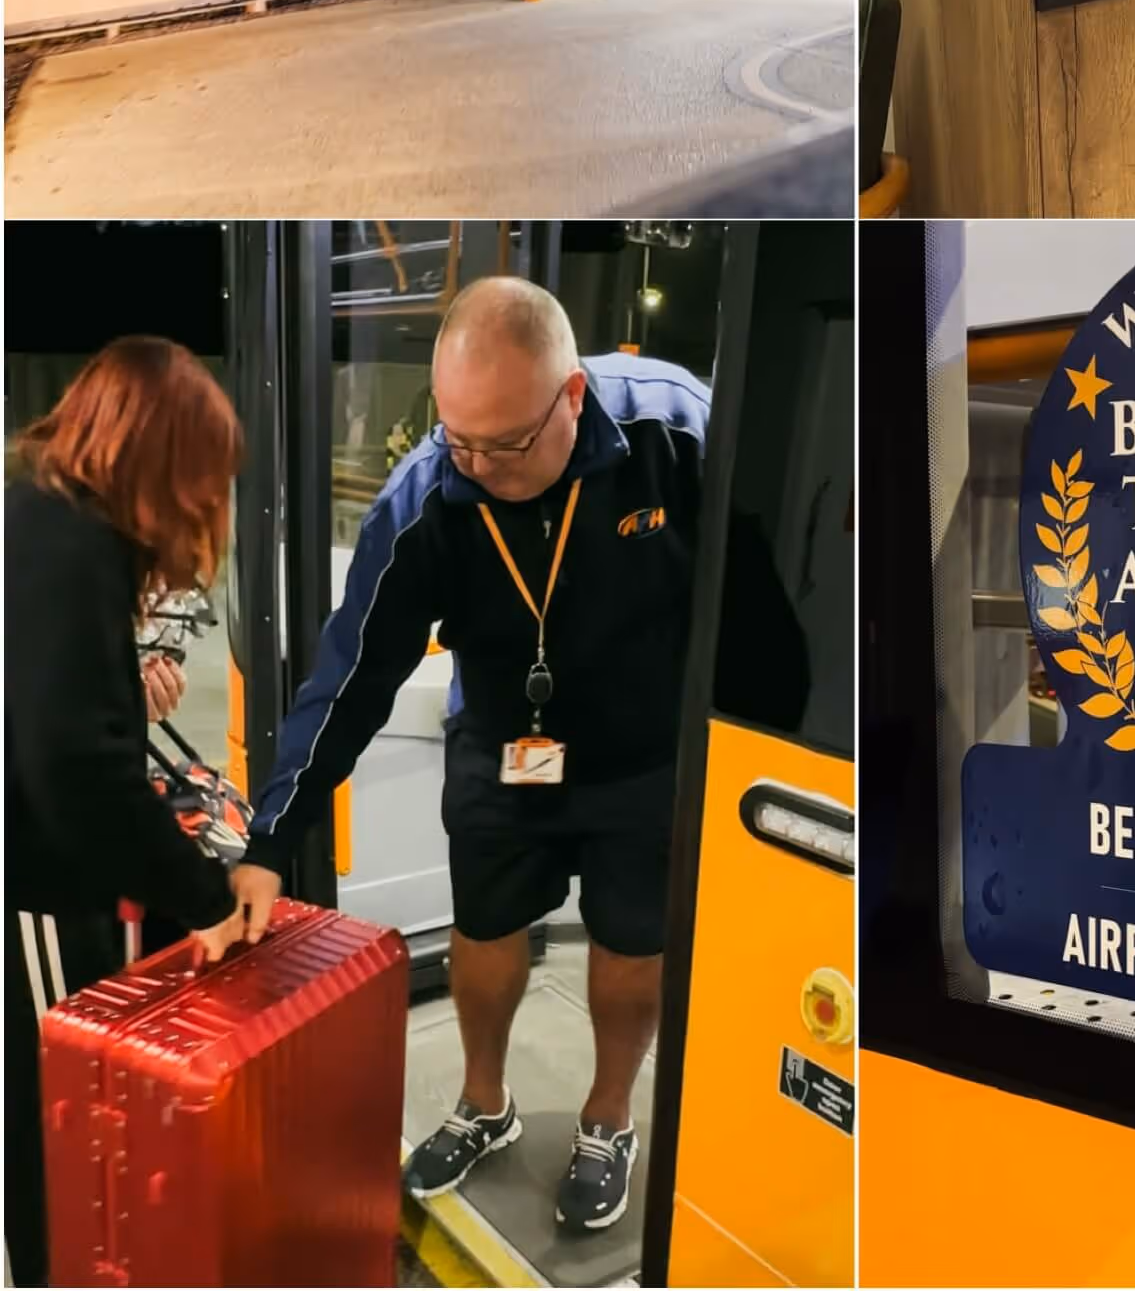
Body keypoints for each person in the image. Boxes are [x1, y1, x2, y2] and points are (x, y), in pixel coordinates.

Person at [230, 277, 709, 1236]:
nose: (479, 466)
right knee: (485, 927)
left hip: (644, 752)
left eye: (507, 443)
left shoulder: (677, 433)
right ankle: (484, 1103)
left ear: (570, 395)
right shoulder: (428, 499)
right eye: (459, 439)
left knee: (631, 945)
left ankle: (607, 1117)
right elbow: (351, 674)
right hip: (503, 744)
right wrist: (270, 839)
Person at [5, 339, 249, 1289]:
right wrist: (203, 895)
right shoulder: (72, 543)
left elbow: (46, 709)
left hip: (36, 866)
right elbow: (76, 770)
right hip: (32, 889)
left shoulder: (41, 516)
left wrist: (115, 691)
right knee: (49, 1118)